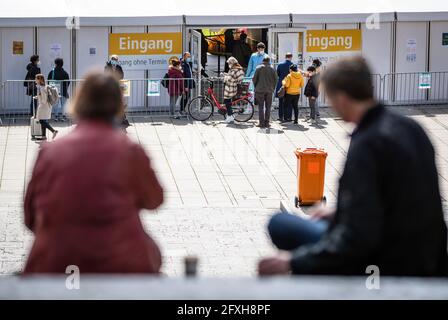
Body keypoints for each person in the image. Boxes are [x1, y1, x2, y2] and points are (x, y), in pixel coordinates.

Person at [258, 56, 448, 277]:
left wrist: (294, 261)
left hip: (385, 259)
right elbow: (395, 201)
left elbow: (357, 239)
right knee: (288, 225)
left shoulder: (368, 144)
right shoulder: (411, 127)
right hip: (429, 255)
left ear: (343, 99)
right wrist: (341, 211)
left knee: (280, 225)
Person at [23, 72, 164, 274]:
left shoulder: (50, 152)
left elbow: (30, 217)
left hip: (58, 262)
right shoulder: (129, 151)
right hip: (121, 260)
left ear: (79, 102)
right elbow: (154, 200)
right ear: (118, 105)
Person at [252, 57, 278, 128]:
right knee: (268, 107)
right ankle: (267, 123)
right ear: (269, 61)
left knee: (260, 107)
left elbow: (254, 79)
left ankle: (261, 123)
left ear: (263, 61)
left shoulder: (258, 68)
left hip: (259, 90)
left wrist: (256, 86)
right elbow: (276, 79)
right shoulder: (272, 69)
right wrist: (272, 87)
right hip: (269, 90)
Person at [34, 74, 58, 141]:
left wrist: (40, 101)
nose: (35, 80)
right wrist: (38, 97)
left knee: (41, 121)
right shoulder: (43, 86)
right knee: (43, 120)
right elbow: (44, 96)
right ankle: (43, 136)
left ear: (40, 80)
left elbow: (44, 100)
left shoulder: (41, 88)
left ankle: (53, 131)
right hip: (46, 106)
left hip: (44, 106)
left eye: (36, 79)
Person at [223, 57, 245, 123]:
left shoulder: (235, 69)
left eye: (229, 63)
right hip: (231, 87)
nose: (229, 64)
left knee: (227, 101)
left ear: (232, 63)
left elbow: (230, 78)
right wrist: (226, 75)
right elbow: (234, 77)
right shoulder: (236, 69)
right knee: (228, 101)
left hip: (230, 87)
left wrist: (225, 77)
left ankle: (230, 116)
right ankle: (230, 115)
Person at [48, 58, 70, 122]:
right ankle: (63, 116)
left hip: (54, 91)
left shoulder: (52, 72)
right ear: (62, 64)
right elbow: (68, 82)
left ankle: (56, 116)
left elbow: (48, 81)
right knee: (63, 104)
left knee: (55, 104)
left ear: (55, 64)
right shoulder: (65, 73)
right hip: (63, 90)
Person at [275, 53, 293, 122]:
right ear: (291, 57)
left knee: (281, 101)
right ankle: (288, 117)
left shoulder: (280, 65)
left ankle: (281, 117)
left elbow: (278, 74)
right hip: (290, 85)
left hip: (281, 84)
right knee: (289, 102)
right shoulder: (293, 65)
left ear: (285, 57)